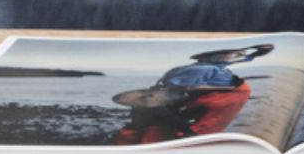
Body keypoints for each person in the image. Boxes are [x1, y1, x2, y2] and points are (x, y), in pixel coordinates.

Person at [112, 43, 278, 144]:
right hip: (166, 109)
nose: (240, 56)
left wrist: (254, 52)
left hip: (178, 106)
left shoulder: (216, 66)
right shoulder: (201, 70)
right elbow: (162, 97)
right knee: (155, 135)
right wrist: (188, 131)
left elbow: (244, 57)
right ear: (212, 56)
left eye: (240, 54)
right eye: (235, 54)